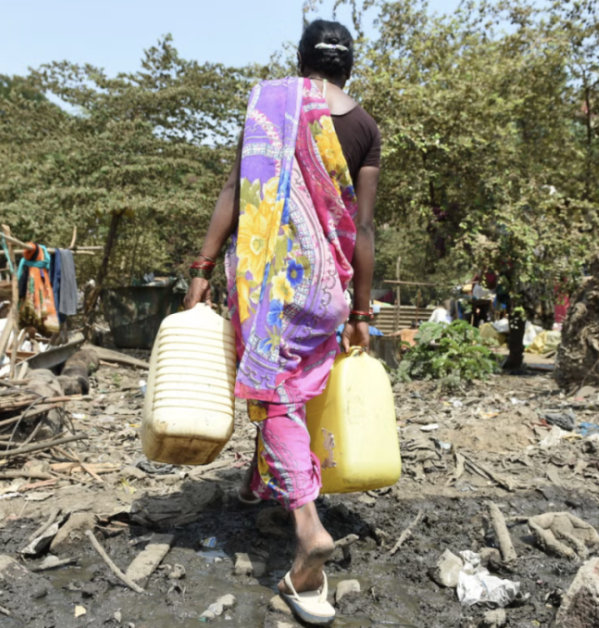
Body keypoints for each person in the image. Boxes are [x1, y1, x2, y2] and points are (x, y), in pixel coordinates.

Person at [182, 19, 381, 625]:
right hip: (327, 287)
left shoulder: (273, 105)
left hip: (268, 280)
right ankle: (255, 480)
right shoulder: (365, 127)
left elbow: (236, 193)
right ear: (350, 67)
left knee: (272, 395)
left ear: (299, 64)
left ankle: (307, 528)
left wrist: (202, 267)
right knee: (287, 390)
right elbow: (365, 227)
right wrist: (363, 308)